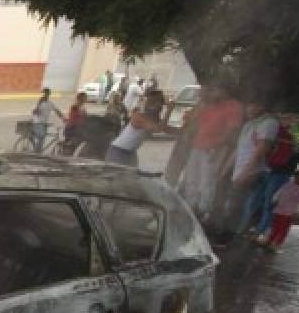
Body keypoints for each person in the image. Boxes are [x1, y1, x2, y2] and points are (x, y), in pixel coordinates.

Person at [179, 84, 243, 223]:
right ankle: (190, 207)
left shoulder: (233, 106)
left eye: (215, 89)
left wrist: (218, 146)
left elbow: (232, 130)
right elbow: (194, 123)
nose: (212, 93)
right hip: (197, 145)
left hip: (213, 149)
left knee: (207, 181)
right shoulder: (208, 105)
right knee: (191, 178)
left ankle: (203, 211)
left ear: (224, 91)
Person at [227, 95, 279, 239]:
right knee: (237, 204)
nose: (249, 109)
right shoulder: (249, 124)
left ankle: (238, 234)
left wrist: (245, 173)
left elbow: (261, 151)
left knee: (246, 204)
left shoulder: (268, 123)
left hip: (255, 172)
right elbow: (238, 149)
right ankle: (234, 233)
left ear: (262, 106)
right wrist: (226, 169)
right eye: (249, 105)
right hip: (241, 172)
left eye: (254, 105)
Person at [255, 163, 299, 252]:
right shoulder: (289, 184)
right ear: (296, 174)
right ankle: (269, 240)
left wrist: (298, 212)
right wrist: (274, 200)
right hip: (279, 209)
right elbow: (280, 191)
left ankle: (276, 244)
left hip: (290, 213)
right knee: (274, 226)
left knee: (283, 229)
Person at [105, 90, 165, 167]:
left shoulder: (152, 118)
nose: (159, 105)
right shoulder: (139, 116)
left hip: (130, 152)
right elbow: (158, 129)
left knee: (131, 176)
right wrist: (169, 111)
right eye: (157, 102)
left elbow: (166, 128)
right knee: (117, 177)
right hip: (118, 151)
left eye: (160, 102)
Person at [29, 88, 64, 152]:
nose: (45, 95)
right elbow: (34, 112)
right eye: (44, 93)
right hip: (37, 122)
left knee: (42, 138)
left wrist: (63, 118)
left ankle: (38, 150)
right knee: (41, 136)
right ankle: (37, 151)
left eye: (47, 94)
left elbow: (57, 111)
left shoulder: (50, 103)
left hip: (44, 122)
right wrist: (38, 104)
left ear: (49, 94)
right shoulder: (39, 102)